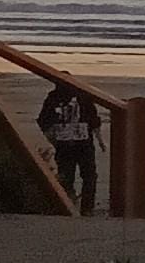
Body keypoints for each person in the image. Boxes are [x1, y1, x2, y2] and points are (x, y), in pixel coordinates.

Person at [37, 80, 100, 212]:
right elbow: (94, 119)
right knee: (88, 176)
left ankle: (68, 204)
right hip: (83, 143)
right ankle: (87, 208)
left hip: (65, 143)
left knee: (67, 175)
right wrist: (99, 139)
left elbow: (43, 120)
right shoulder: (83, 96)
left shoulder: (53, 97)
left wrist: (51, 136)